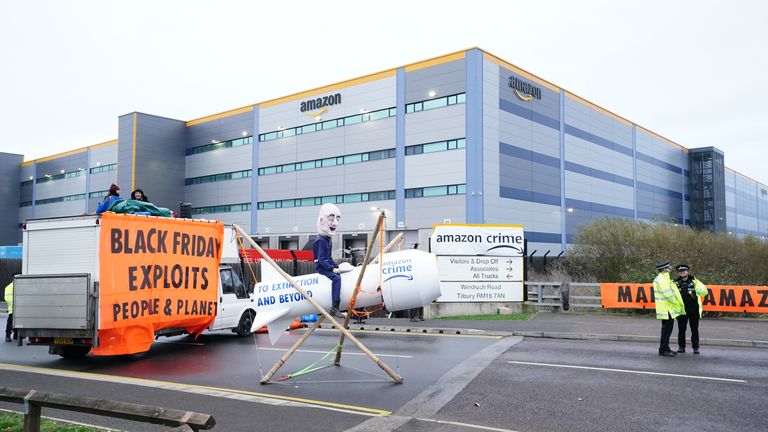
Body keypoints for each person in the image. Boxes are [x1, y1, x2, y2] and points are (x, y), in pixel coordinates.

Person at [312, 204, 352, 318]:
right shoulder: (320, 241)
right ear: (322, 221)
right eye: (331, 218)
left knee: (340, 275)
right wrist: (332, 269)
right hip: (321, 267)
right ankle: (335, 307)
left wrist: (337, 266)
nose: (335, 223)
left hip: (325, 265)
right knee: (336, 278)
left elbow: (328, 258)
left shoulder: (327, 240)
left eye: (337, 219)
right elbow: (321, 259)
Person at [653, 261, 685, 357]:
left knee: (667, 330)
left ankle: (665, 348)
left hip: (667, 308)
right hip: (666, 308)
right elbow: (667, 294)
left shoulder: (664, 278)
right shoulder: (662, 279)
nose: (670, 268)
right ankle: (663, 350)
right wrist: (676, 303)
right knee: (666, 330)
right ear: (664, 269)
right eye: (668, 267)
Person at [675, 264, 709, 354]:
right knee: (681, 329)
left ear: (687, 272)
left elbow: (704, 292)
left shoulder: (694, 281)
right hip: (681, 309)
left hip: (693, 309)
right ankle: (681, 347)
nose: (682, 273)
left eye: (684, 271)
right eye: (680, 271)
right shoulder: (675, 282)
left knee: (694, 329)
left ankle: (695, 347)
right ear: (679, 273)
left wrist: (696, 288)